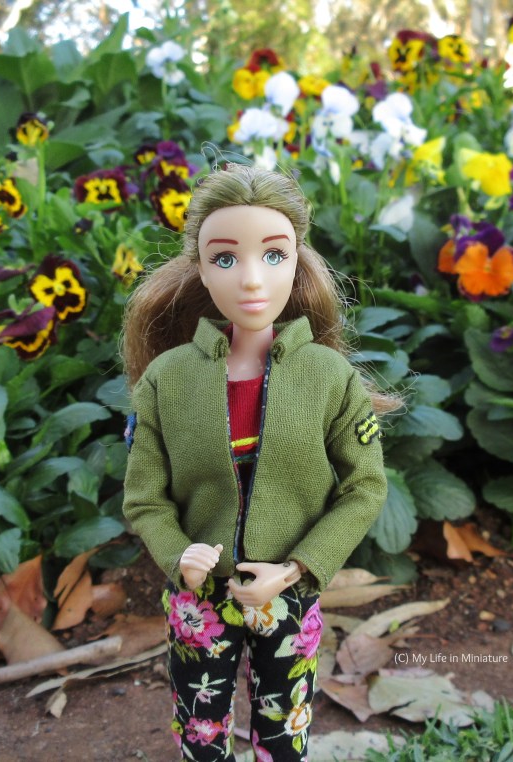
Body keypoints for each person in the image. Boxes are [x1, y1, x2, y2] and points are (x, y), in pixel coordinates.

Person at [122, 163, 398, 761]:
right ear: (199, 268)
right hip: (200, 597)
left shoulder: (328, 377)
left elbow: (365, 487)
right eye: (225, 258)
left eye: (274, 255)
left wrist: (298, 569)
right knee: (201, 735)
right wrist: (178, 556)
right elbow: (145, 496)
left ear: (298, 262)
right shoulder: (168, 381)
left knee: (285, 736)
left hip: (288, 595)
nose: (251, 279)